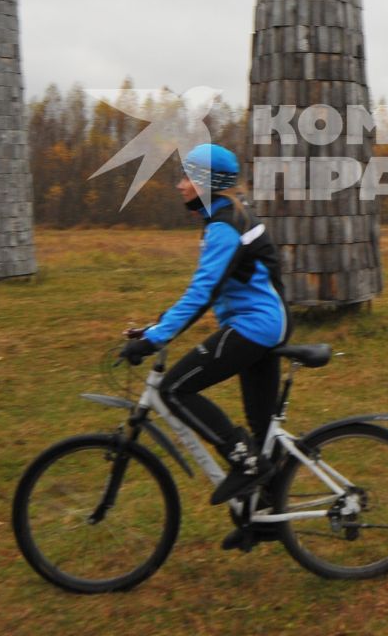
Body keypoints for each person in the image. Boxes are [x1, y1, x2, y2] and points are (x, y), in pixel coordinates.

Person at [120, 144, 290, 540]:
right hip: (264, 324)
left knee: (175, 389)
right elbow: (207, 288)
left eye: (186, 177)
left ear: (206, 182)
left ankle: (245, 463)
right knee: (264, 430)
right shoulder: (227, 215)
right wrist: (156, 326)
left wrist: (155, 339)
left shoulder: (223, 225)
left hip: (255, 326)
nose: (179, 185)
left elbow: (203, 292)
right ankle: (264, 520)